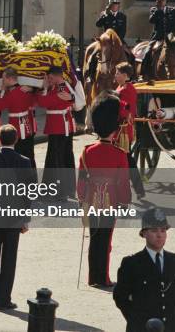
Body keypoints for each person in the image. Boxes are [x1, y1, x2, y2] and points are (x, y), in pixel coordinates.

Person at [77, 92, 131, 287]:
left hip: (91, 199)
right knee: (105, 240)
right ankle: (103, 277)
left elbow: (82, 177)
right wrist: (125, 201)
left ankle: (93, 277)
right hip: (111, 200)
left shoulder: (87, 150)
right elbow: (123, 181)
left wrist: (81, 197)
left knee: (94, 238)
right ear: (114, 129)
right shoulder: (119, 154)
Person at [0, 124, 34, 311]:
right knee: (9, 258)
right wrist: (26, 218)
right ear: (16, 140)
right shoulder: (25, 161)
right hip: (14, 216)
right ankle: (4, 298)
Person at [113, 208, 175, 332]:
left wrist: (171, 310)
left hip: (173, 327)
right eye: (154, 230)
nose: (159, 235)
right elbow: (120, 297)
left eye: (163, 230)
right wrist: (136, 319)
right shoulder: (131, 263)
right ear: (144, 233)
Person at [37, 66, 76, 200]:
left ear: (55, 76)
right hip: (60, 126)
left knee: (56, 160)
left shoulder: (61, 89)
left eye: (50, 78)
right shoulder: (59, 87)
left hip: (59, 127)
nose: (48, 80)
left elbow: (43, 102)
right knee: (63, 158)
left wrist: (45, 88)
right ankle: (66, 189)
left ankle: (59, 192)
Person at [0, 67, 37, 167]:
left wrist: (2, 91)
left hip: (16, 128)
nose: (3, 81)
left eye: (4, 79)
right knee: (29, 156)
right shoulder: (25, 89)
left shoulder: (11, 93)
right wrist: (32, 88)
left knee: (18, 156)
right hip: (28, 126)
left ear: (9, 79)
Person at [115, 62, 145, 199]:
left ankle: (134, 189)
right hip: (118, 129)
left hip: (123, 130)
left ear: (125, 75)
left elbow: (125, 111)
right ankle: (136, 189)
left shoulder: (128, 89)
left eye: (117, 73)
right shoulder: (121, 86)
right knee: (125, 160)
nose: (115, 75)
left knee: (127, 160)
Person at [142, 0, 175, 79]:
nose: (163, 1)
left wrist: (171, 35)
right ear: (157, 0)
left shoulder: (171, 10)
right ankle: (143, 74)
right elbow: (151, 20)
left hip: (169, 37)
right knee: (147, 52)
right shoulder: (154, 10)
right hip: (157, 37)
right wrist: (159, 10)